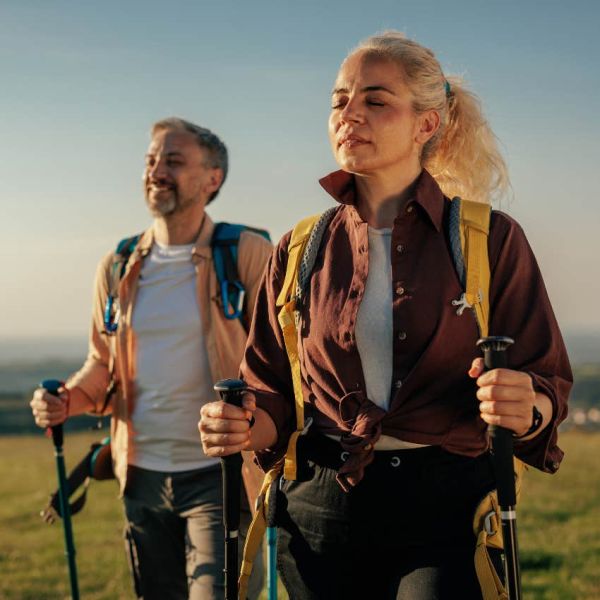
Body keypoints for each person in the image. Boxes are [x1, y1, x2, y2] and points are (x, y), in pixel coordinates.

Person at [199, 32, 572, 600]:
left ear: (427, 124)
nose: (350, 114)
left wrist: (529, 406)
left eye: (376, 100)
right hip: (318, 507)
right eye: (339, 100)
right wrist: (246, 423)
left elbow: (545, 378)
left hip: (448, 508)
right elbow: (271, 388)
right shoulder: (300, 247)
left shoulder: (489, 239)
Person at [30, 117, 271, 600]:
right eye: (151, 160)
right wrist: (68, 400)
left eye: (174, 161)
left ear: (212, 178)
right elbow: (102, 362)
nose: (156, 171)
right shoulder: (119, 264)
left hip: (220, 475)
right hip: (139, 476)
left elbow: (280, 361)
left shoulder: (246, 253)